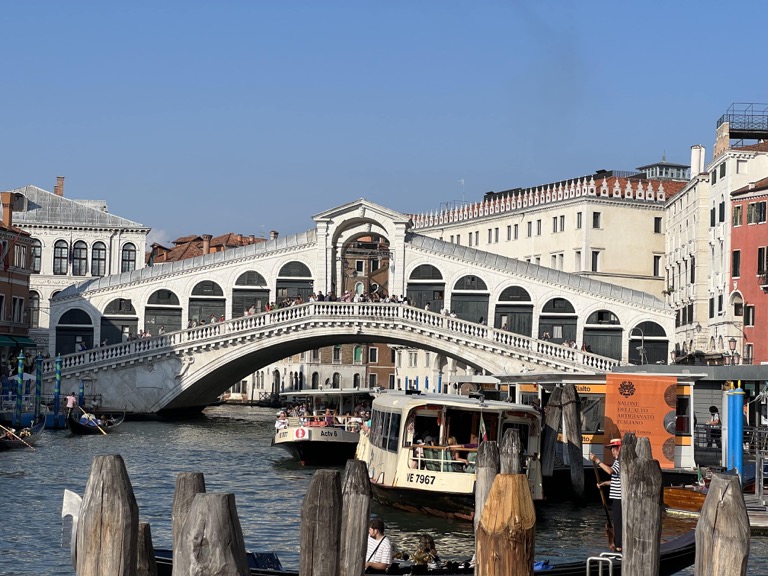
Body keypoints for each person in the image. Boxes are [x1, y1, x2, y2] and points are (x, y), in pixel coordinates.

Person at [590, 438, 622, 552]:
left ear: (619, 449)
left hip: (620, 498)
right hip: (617, 497)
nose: (612, 451)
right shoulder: (618, 462)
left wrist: (597, 460)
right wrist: (604, 483)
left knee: (618, 523)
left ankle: (619, 546)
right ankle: (618, 544)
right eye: (611, 449)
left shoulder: (620, 462)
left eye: (614, 449)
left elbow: (610, 471)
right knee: (617, 521)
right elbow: (618, 480)